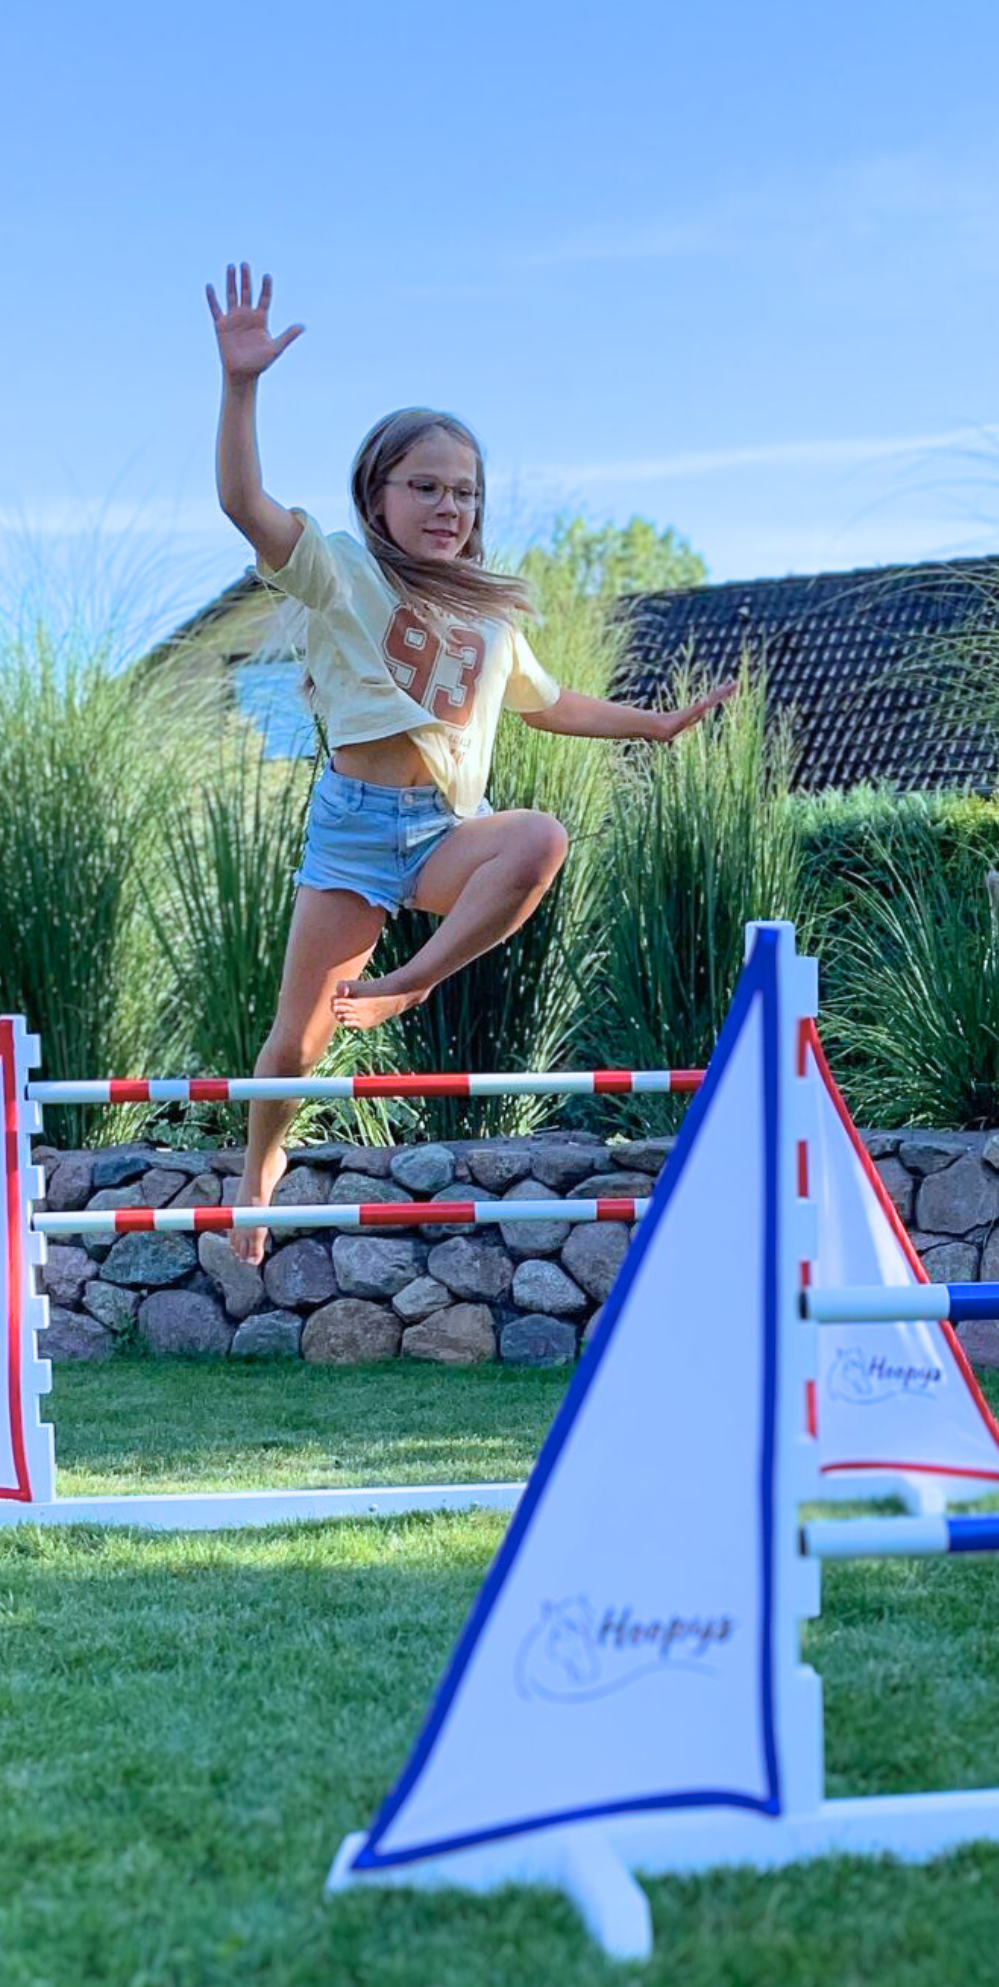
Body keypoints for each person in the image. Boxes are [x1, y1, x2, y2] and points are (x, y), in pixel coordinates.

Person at [209, 262, 734, 1261]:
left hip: (446, 831)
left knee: (538, 835)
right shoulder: (335, 566)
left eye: (463, 492)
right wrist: (242, 386)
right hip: (356, 827)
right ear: (378, 491)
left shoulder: (489, 612)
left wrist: (654, 725)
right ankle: (259, 1164)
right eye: (424, 487)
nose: (446, 506)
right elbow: (242, 499)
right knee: (295, 1048)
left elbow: (551, 702)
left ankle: (412, 980)